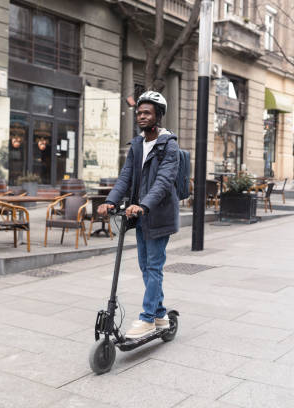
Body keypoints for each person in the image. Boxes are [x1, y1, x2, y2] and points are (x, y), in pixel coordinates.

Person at [97, 91, 180, 339]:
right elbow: (126, 177)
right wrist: (110, 201)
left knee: (153, 267)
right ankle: (161, 315)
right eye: (139, 112)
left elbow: (164, 181)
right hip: (140, 216)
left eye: (147, 113)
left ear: (158, 116)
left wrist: (143, 204)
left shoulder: (169, 145)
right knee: (146, 267)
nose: (141, 116)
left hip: (159, 214)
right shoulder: (137, 144)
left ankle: (147, 319)